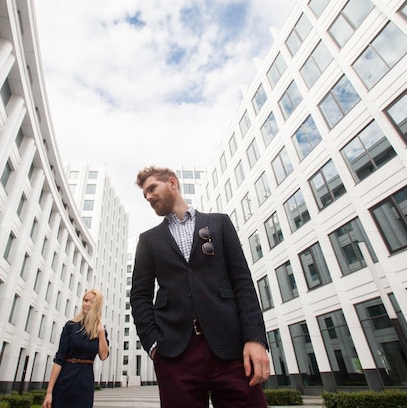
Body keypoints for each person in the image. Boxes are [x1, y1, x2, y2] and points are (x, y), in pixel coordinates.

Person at [130, 166, 270, 408]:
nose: (149, 197)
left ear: (172, 182)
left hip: (232, 347)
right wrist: (154, 346)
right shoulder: (148, 240)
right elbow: (140, 296)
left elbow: (243, 282)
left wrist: (255, 338)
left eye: (152, 188)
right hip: (175, 353)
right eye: (145, 195)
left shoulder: (219, 223)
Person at [43, 289, 109, 408]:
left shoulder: (101, 331)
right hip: (66, 378)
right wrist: (49, 392)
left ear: (97, 306)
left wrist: (101, 332)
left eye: (91, 302)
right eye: (85, 300)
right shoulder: (70, 326)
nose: (87, 304)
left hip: (85, 381)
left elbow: (103, 356)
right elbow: (59, 358)